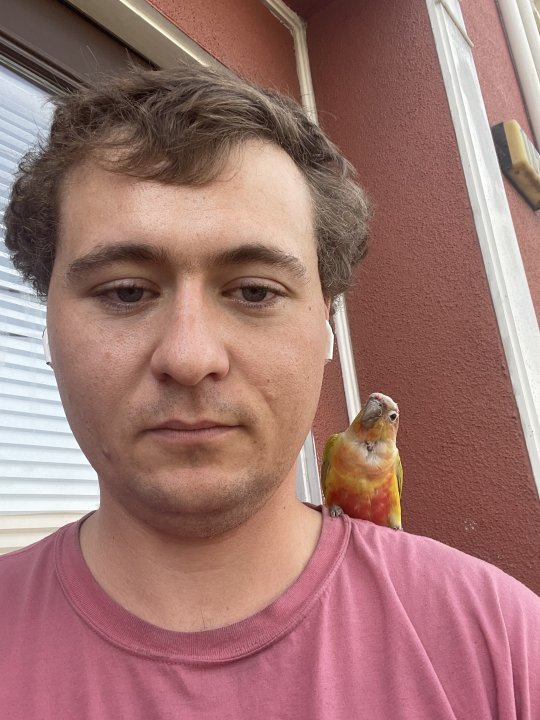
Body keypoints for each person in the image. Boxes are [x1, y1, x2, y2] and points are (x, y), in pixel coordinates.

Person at [1, 63, 539, 719]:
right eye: (126, 291)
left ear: (325, 323)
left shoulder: (510, 649)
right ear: (48, 324)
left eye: (255, 291)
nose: (190, 357)